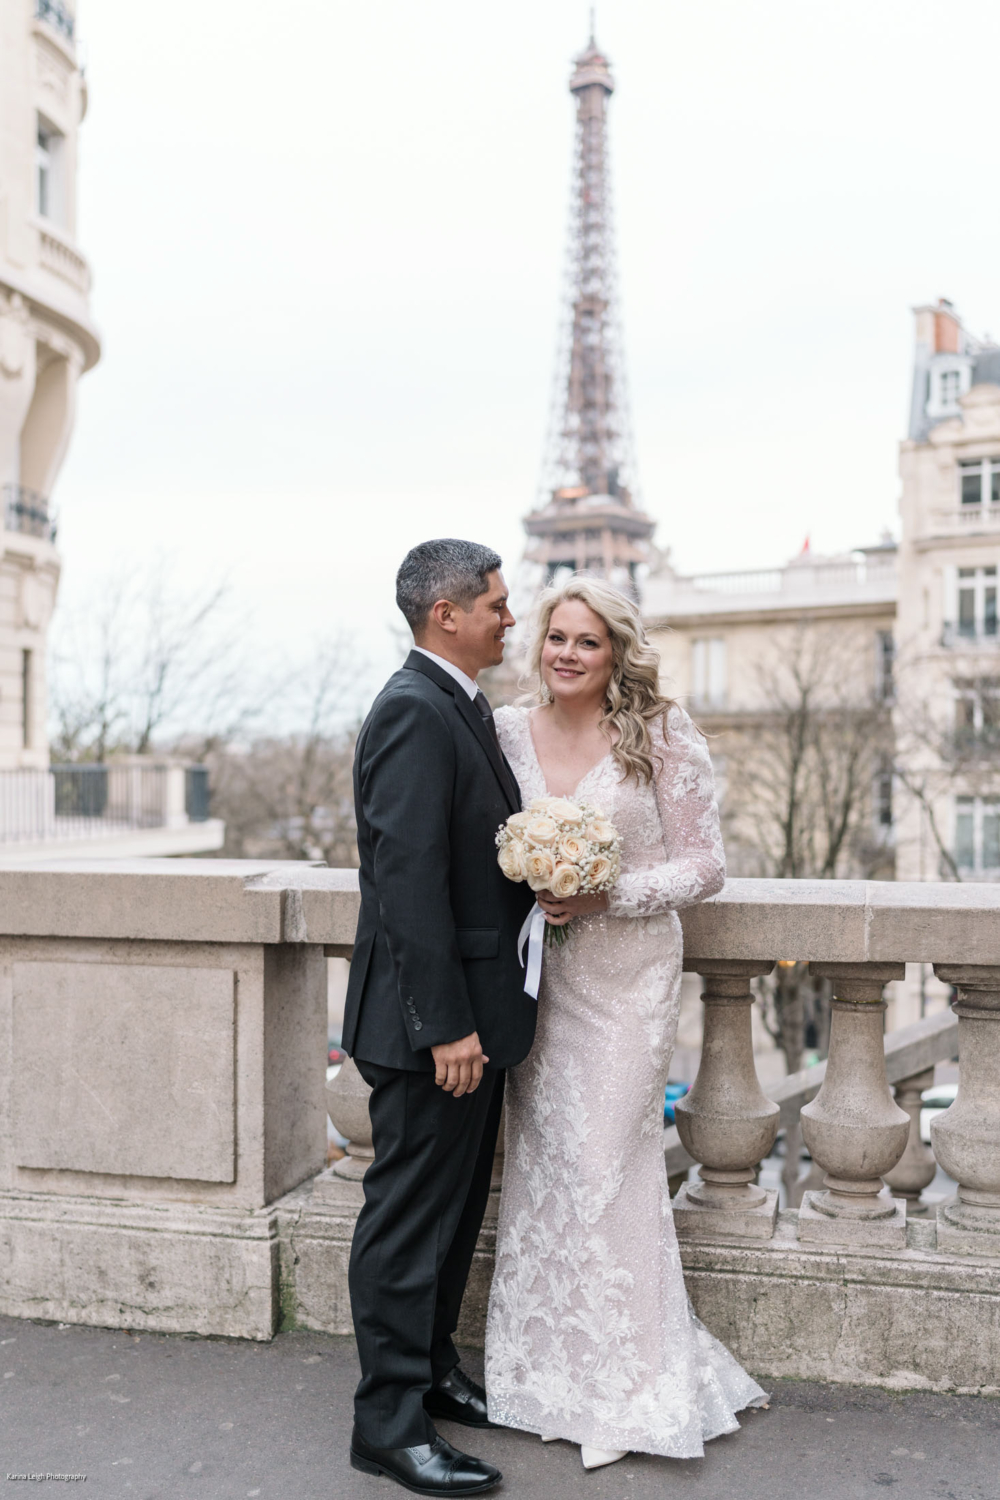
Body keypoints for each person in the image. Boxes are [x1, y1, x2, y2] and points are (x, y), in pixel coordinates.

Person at [484, 574, 768, 1471]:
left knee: (610, 1165)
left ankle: (627, 1388)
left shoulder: (663, 737)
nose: (566, 653)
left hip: (628, 980)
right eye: (556, 637)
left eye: (587, 642)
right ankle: (540, 1377)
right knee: (549, 1166)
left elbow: (704, 866)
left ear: (617, 654)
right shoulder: (502, 731)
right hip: (538, 983)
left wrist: (612, 895)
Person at [344, 539, 536, 1497]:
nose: (511, 616)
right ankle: (387, 1425)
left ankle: (432, 1376)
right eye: (495, 603)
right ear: (446, 614)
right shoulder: (415, 712)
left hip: (476, 1015)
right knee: (407, 1225)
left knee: (454, 1218)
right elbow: (407, 884)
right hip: (436, 1029)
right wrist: (446, 1026)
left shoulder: (461, 705)